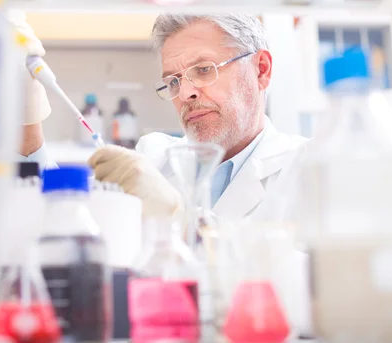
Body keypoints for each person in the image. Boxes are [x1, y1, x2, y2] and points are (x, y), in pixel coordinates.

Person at [16, 13, 306, 221]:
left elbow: (293, 285)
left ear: (261, 70)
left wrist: (176, 219)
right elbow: (72, 221)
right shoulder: (153, 157)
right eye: (174, 81)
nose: (186, 93)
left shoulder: (307, 169)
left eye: (204, 69)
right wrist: (28, 122)